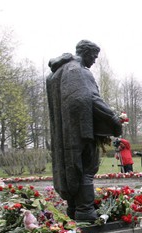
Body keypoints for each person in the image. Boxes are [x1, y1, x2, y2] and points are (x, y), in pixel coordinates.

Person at [46, 40, 122, 222]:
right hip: (81, 130)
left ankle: (74, 208)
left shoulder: (58, 72)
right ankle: (85, 210)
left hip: (66, 132)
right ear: (86, 53)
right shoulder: (78, 71)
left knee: (72, 168)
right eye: (94, 57)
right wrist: (112, 118)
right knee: (86, 169)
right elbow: (88, 98)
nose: (94, 61)